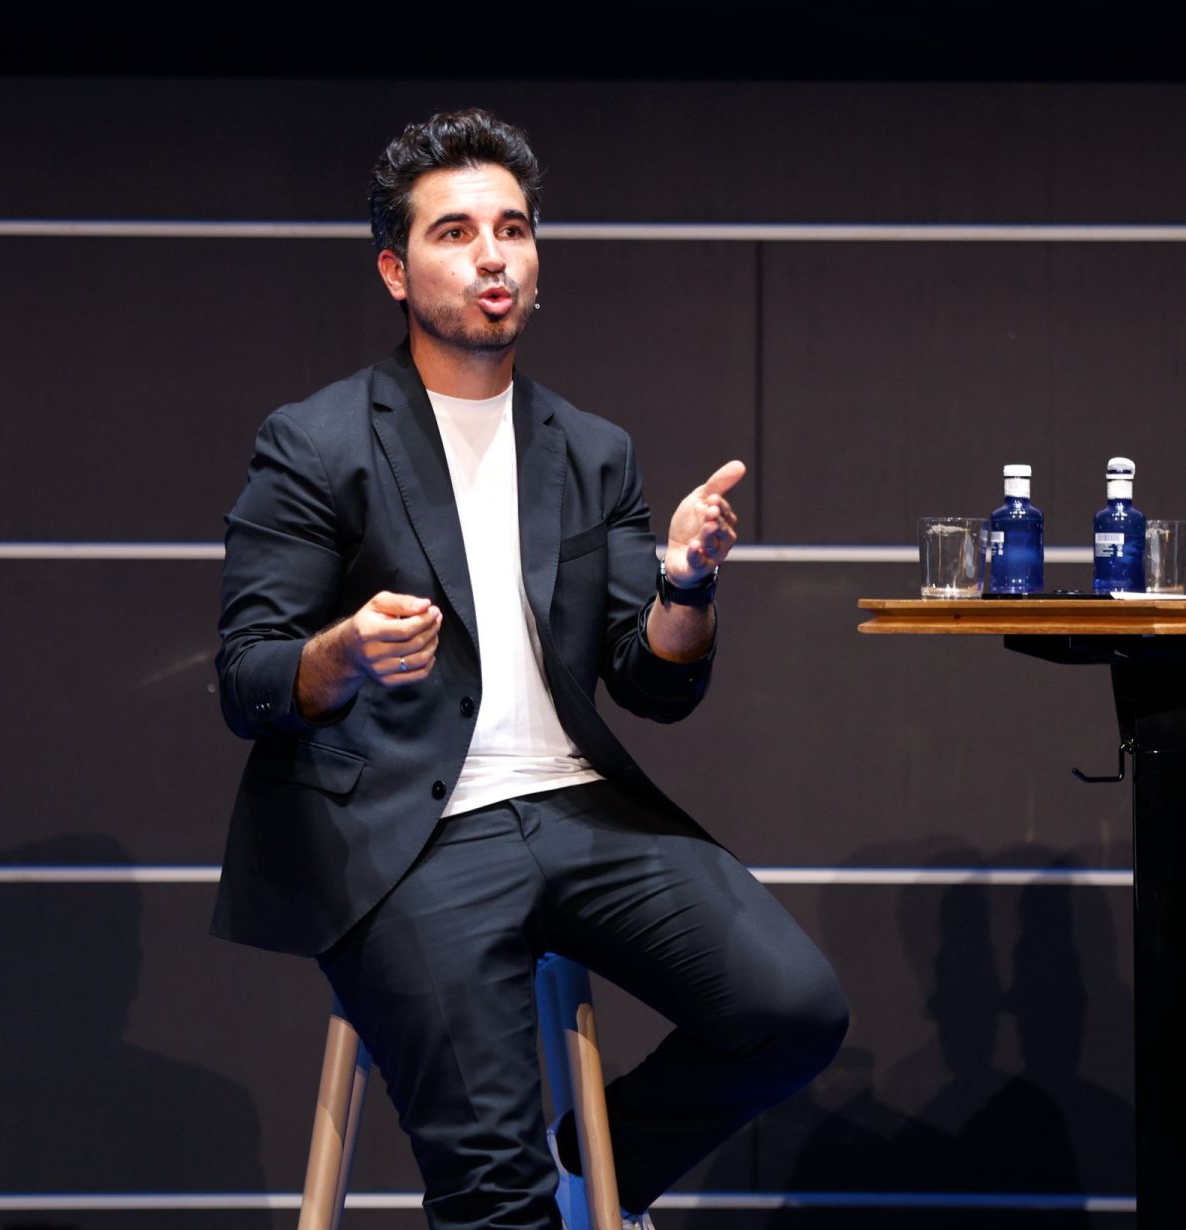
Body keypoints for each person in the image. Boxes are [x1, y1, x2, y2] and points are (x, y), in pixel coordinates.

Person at [213, 109, 847, 1230]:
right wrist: (344, 655)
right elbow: (250, 678)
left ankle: (584, 1167)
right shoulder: (315, 443)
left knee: (794, 1012)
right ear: (397, 272)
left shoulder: (591, 450)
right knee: (484, 1189)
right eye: (456, 232)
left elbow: (650, 683)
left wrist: (686, 591)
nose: (494, 254)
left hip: (575, 810)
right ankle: (524, 1186)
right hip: (406, 832)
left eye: (513, 228)